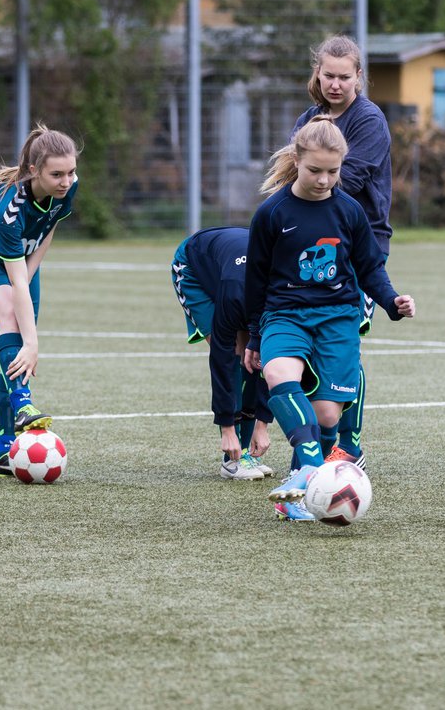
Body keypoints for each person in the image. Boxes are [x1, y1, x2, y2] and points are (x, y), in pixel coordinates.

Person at [243, 116, 415, 521]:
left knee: (326, 417)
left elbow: (370, 268)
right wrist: (253, 335)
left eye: (333, 172)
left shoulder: (350, 212)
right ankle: (305, 467)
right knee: (278, 372)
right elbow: (255, 280)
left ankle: (302, 486)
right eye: (314, 170)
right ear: (297, 160)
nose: (323, 180)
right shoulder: (272, 213)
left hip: (337, 317)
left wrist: (392, 303)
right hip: (284, 314)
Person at [289, 34, 394, 468]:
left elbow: (345, 180)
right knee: (309, 344)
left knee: (344, 346)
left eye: (344, 77)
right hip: (308, 246)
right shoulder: (310, 118)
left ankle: (349, 444)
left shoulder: (369, 121)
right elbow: (288, 175)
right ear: (318, 73)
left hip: (358, 246)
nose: (335, 84)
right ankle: (322, 436)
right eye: (328, 75)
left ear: (359, 77)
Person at [0, 125, 79, 476]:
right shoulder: (8, 205)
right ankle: (24, 405)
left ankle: (4, 450)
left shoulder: (69, 186)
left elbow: (48, 229)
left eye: (70, 172)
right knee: (12, 318)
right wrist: (33, 341)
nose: (66, 181)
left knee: (16, 344)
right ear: (34, 170)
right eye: (57, 174)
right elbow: (14, 279)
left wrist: (32, 268)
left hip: (23, 260)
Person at [170, 226, 275, 480]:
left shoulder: (284, 296)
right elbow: (221, 358)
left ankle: (248, 454)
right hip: (194, 268)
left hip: (234, 269)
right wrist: (227, 427)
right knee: (235, 355)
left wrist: (263, 423)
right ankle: (231, 459)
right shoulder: (235, 293)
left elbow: (271, 360)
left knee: (258, 358)